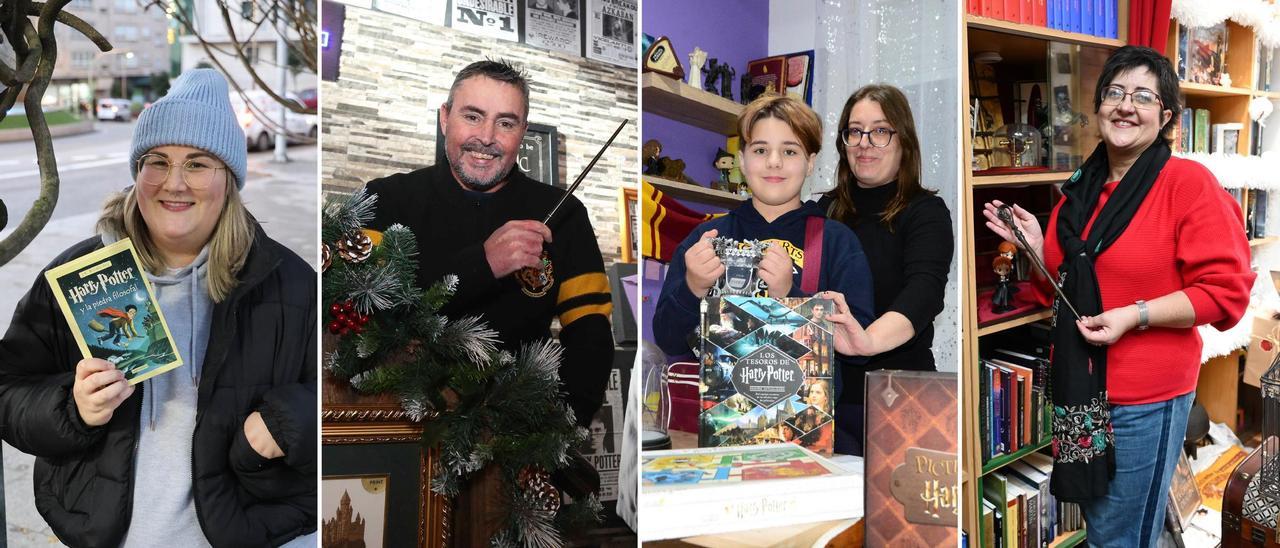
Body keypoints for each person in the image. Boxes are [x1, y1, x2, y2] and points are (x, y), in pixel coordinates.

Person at [0, 69, 316, 546]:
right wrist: (74, 407)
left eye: (197, 163)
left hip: (245, 533)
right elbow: (7, 390)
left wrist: (290, 421)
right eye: (157, 161)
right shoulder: (81, 275)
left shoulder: (286, 283)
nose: (174, 183)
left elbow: (342, 397)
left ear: (228, 178)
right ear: (137, 171)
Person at [983, 46, 1253, 547]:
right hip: (1082, 395)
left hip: (1146, 398)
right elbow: (1062, 290)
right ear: (1100, 105)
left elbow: (1226, 294)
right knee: (1103, 527)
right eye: (1115, 92)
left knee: (1121, 537)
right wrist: (1038, 247)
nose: (1126, 105)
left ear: (1166, 116)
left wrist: (1137, 315)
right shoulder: (1080, 191)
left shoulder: (1187, 184)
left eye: (1144, 96)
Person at [362, 59, 613, 429]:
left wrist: (560, 432)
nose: (487, 137)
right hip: (397, 429)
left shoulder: (565, 214)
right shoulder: (385, 199)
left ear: (522, 132)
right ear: (445, 118)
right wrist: (483, 264)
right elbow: (364, 316)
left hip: (520, 439)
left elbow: (590, 336)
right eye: (473, 116)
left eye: (506, 123)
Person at [652, 94, 875, 451]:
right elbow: (668, 339)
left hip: (807, 437)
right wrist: (692, 287)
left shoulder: (836, 241)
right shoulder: (706, 239)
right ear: (741, 159)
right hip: (723, 433)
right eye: (760, 150)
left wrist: (791, 297)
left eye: (789, 151)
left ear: (811, 161)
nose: (774, 162)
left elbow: (860, 346)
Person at [818, 83, 954, 456]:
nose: (864, 142)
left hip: (900, 398)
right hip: (826, 398)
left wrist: (867, 342)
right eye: (855, 130)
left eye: (879, 130)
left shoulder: (926, 212)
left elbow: (924, 292)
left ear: (903, 141)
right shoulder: (822, 212)